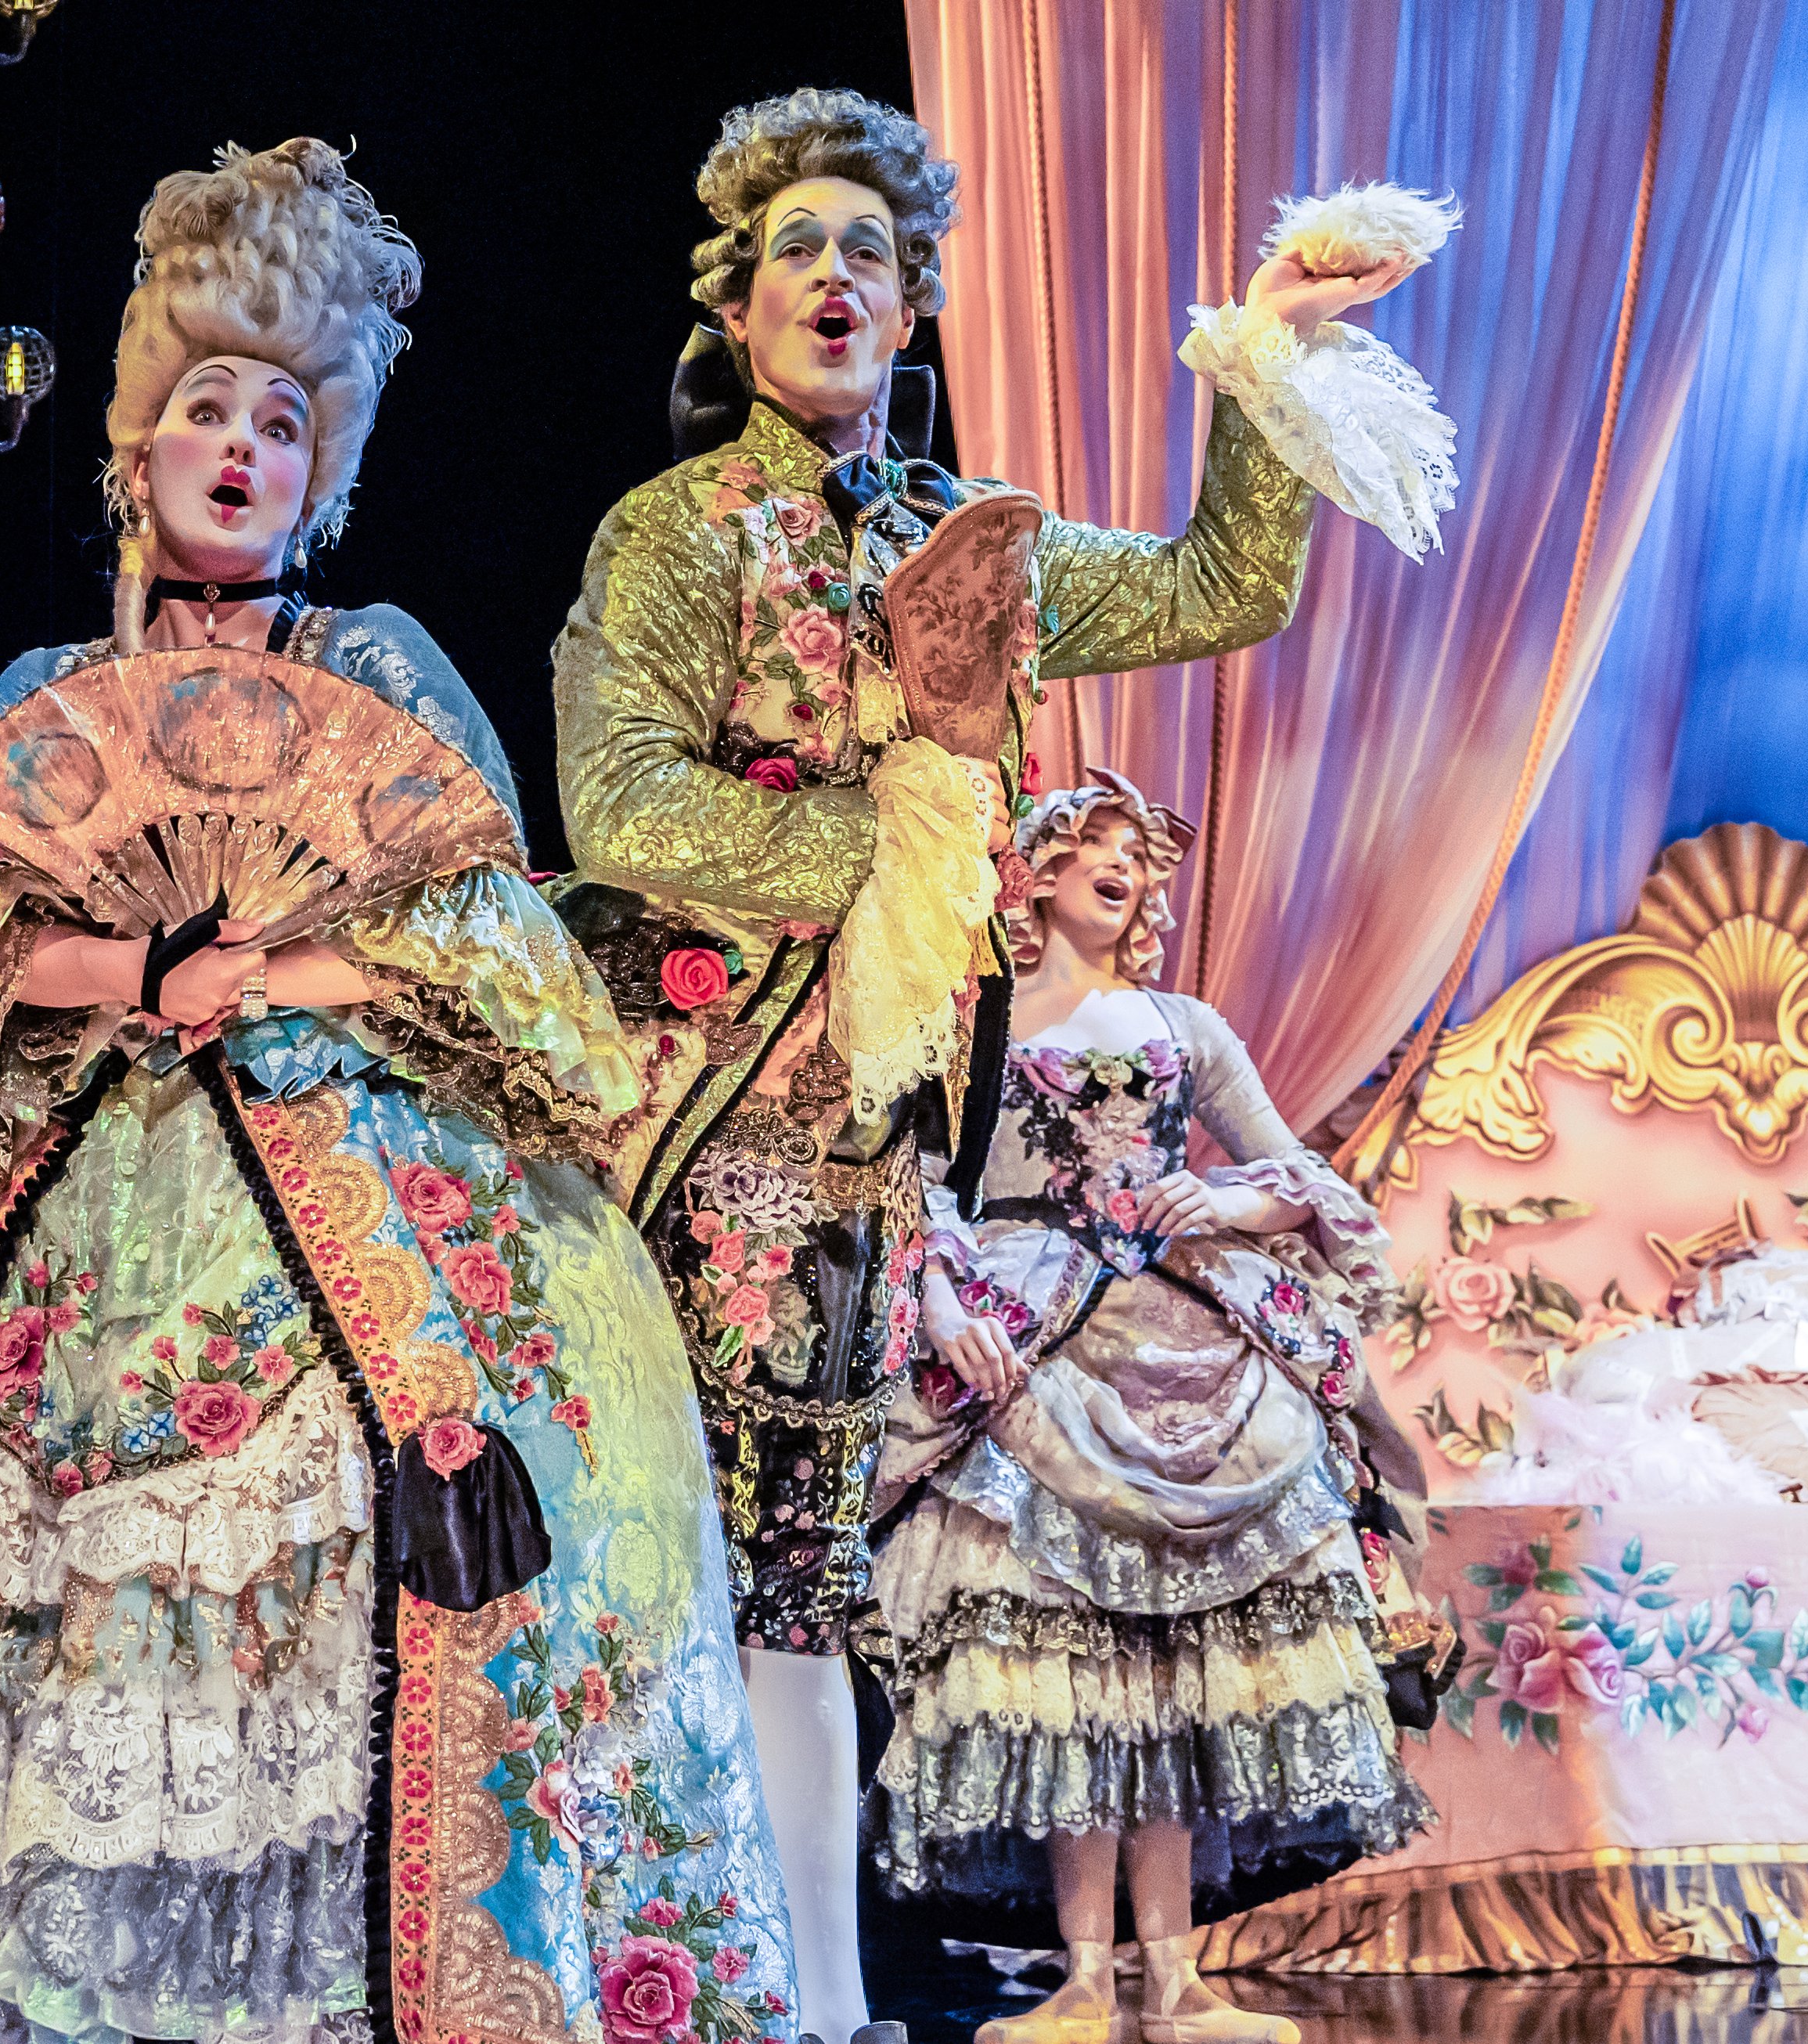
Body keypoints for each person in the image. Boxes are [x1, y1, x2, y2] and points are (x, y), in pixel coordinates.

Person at [548, 88, 1454, 2040]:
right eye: (794, 245)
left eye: (867, 252)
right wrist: (894, 833)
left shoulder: (977, 545)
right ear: (735, 300)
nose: (832, 276)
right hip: (700, 1117)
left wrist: (1264, 343)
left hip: (888, 1136)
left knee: (809, 1575)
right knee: (695, 1550)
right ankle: (662, 1976)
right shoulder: (676, 532)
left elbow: (1225, 587)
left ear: (911, 313)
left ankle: (797, 1994)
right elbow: (616, 799)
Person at [0, 139, 796, 2044]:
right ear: (133, 458)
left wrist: (290, 963)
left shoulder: (377, 666)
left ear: (323, 481)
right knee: (75, 1633)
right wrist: (144, 968)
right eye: (204, 413)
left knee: (349, 1596)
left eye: (279, 429)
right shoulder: (47, 688)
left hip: (345, 1182)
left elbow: (505, 953)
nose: (238, 448)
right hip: (97, 1203)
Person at [884, 775, 1431, 2044]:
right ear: (1033, 876)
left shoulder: (1184, 1026)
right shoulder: (972, 1025)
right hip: (1038, 1337)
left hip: (1185, 1336)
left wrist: (1227, 1206)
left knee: (1188, 1663)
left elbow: (1289, 1168)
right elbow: (915, 1187)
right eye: (1095, 850)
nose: (1123, 870)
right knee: (1073, 1664)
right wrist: (943, 1308)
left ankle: (1177, 1977)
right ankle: (1083, 1975)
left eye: (1139, 855)